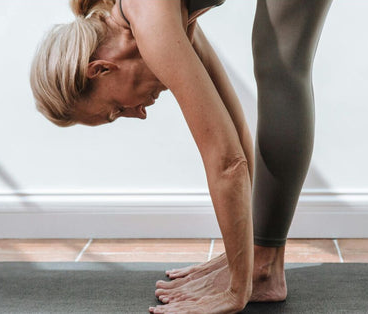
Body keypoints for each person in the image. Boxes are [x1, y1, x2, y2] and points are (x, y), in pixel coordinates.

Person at [29, 0, 333, 313]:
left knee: (280, 66)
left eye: (116, 109)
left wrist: (236, 291)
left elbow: (227, 164)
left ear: (101, 69)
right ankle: (261, 263)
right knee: (275, 63)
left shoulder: (149, 16)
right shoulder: (152, 14)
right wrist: (239, 257)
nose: (139, 113)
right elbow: (235, 134)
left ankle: (264, 270)